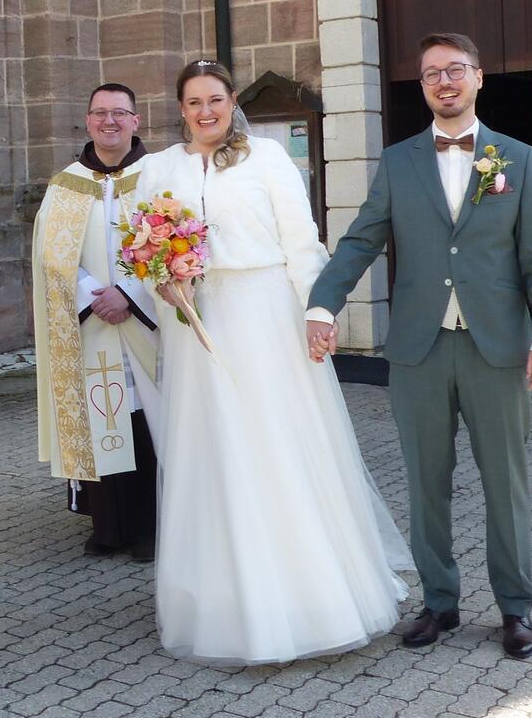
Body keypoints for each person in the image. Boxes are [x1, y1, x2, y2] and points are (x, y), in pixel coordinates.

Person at [137, 59, 412, 664]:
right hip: (197, 321)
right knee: (212, 450)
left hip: (263, 315)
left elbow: (301, 243)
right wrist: (163, 274)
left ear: (232, 101)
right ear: (180, 108)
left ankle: (308, 598)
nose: (205, 112)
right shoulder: (157, 169)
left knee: (273, 445)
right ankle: (225, 599)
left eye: (214, 99)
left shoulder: (265, 159)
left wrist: (317, 314)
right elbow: (138, 246)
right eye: (192, 102)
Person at [307, 32, 532, 661]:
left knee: (505, 484)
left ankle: (516, 608)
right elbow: (360, 240)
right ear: (421, 86)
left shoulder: (516, 159)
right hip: (419, 351)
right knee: (426, 484)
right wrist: (322, 304)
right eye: (430, 74)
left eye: (455, 70)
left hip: (496, 350)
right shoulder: (398, 162)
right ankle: (439, 603)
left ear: (478, 77)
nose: (444, 82)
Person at [32, 82, 161, 561]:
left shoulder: (157, 175)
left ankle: (152, 526)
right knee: (103, 416)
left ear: (136, 120)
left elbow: (178, 242)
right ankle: (110, 527)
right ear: (87, 120)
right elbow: (52, 255)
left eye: (119, 113)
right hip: (93, 323)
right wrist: (95, 295)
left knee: (149, 421)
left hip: (148, 319)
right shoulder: (66, 184)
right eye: (100, 113)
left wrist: (129, 293)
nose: (110, 121)